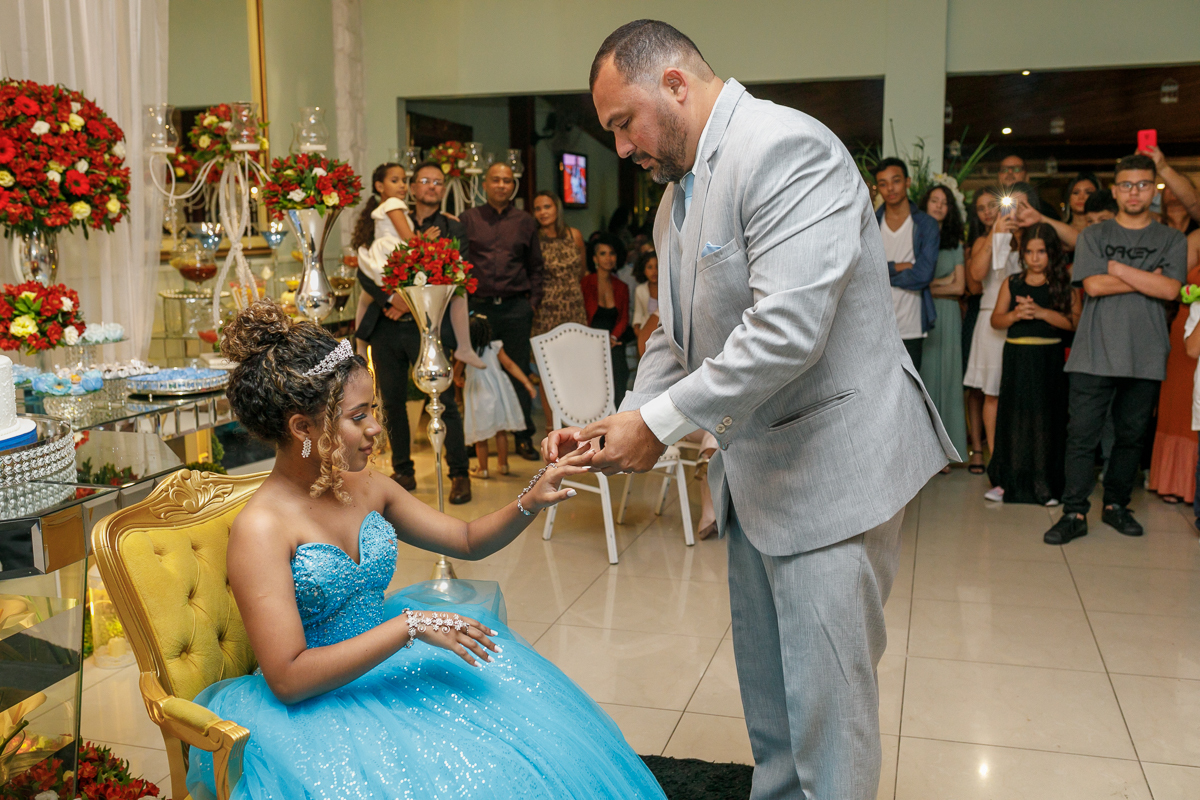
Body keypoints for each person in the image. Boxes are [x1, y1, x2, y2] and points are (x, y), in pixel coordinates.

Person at [548, 20, 956, 799]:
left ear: (674, 82)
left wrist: (661, 427)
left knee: (828, 714)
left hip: (832, 471)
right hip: (755, 478)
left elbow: (787, 332)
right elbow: (679, 337)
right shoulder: (675, 203)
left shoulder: (785, 149)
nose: (622, 149)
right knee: (772, 710)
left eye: (621, 123)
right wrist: (623, 416)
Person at [185, 301, 667, 799]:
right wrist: (409, 626)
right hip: (317, 705)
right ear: (302, 428)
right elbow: (287, 677)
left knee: (518, 747)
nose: (376, 426)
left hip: (389, 665)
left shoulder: (368, 486)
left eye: (371, 409)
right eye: (357, 416)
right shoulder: (261, 528)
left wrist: (532, 497)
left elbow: (467, 540)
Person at [1044, 154, 1189, 545]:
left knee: (1130, 437)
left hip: (1146, 354)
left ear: (1153, 188)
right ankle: (1074, 511)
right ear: (1115, 189)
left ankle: (1116, 506)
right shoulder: (1094, 235)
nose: (1134, 191)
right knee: (1081, 438)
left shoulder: (1171, 239)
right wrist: (1147, 278)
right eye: (1126, 185)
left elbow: (1172, 289)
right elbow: (1091, 287)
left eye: (1143, 184)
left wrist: (1115, 269)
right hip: (1093, 352)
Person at [353, 163, 474, 503]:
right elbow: (364, 267)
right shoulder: (388, 217)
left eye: (438, 182)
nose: (430, 187)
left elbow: (455, 272)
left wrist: (407, 302)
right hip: (386, 325)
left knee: (444, 400)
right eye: (423, 180)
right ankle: (403, 470)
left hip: (429, 324)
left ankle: (459, 474)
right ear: (413, 185)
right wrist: (390, 298)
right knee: (390, 400)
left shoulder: (451, 226)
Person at [985, 223, 1081, 505]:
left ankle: (1044, 482)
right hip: (1016, 357)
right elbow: (995, 320)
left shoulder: (1063, 284)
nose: (1035, 257)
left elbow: (1074, 323)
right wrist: (1015, 315)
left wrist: (1042, 313)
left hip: (1048, 360)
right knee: (1013, 416)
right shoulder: (1012, 283)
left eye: (1041, 251)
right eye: (1029, 251)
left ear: (1052, 253)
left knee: (1045, 418)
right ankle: (1007, 481)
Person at [461, 162, 545, 461]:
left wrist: (530, 305)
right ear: (485, 184)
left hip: (514, 309)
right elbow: (457, 264)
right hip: (478, 310)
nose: (501, 185)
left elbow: (536, 266)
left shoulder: (525, 221)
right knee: (476, 375)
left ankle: (523, 437)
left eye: (507, 181)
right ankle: (476, 439)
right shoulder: (468, 219)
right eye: (495, 180)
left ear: (514, 186)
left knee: (517, 370)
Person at [964, 185, 1040, 465]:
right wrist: (996, 232)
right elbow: (976, 274)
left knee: (1023, 393)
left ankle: (1025, 455)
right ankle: (996, 459)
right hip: (991, 319)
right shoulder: (986, 239)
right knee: (992, 392)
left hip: (1029, 314)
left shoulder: (1033, 240)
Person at [1146, 213, 1200, 504]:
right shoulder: (1195, 238)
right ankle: (1175, 481)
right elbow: (1172, 282)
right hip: (1189, 324)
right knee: (1180, 402)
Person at [529, 190, 588, 434]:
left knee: (574, 370)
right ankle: (551, 428)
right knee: (547, 373)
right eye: (538, 208)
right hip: (546, 312)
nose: (543, 212)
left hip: (574, 309)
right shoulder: (534, 239)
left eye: (547, 206)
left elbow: (583, 270)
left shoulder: (574, 235)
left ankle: (576, 427)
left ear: (557, 208)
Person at [919, 184, 969, 465]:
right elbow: (910, 281)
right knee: (923, 378)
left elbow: (960, 287)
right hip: (920, 314)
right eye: (934, 200)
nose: (939, 206)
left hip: (949, 316)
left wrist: (927, 285)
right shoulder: (917, 237)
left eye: (944, 202)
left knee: (949, 380)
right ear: (925, 204)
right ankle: (926, 456)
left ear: (950, 209)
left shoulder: (955, 243)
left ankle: (948, 454)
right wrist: (942, 283)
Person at [873, 158, 938, 370]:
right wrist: (898, 266)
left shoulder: (926, 224)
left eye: (896, 180)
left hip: (911, 323)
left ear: (907, 182)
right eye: (883, 183)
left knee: (910, 393)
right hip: (876, 323)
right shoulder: (870, 223)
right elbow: (864, 271)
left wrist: (882, 272)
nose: (890, 188)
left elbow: (923, 274)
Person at [458, 315, 537, 479]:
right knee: (500, 432)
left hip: (478, 394)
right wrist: (527, 383)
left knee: (481, 436)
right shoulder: (495, 346)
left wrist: (459, 381)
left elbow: (456, 373)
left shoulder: (466, 352)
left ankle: (483, 469)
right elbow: (510, 365)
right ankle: (503, 465)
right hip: (498, 393)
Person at [963, 187, 1001, 473]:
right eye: (981, 208)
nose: (987, 212)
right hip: (984, 313)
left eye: (992, 205)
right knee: (981, 388)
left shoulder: (1021, 236)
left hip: (1012, 313)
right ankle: (982, 450)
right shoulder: (978, 241)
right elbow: (974, 282)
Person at [582, 233, 631, 408]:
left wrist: (613, 338)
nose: (608, 258)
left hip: (613, 341)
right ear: (594, 258)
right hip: (588, 340)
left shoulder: (622, 287)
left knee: (619, 368)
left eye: (612, 253)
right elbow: (581, 316)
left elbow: (624, 318)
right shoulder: (585, 283)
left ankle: (617, 417)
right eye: (602, 253)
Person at [997, 154, 1060, 220]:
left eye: (1016, 169)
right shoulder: (990, 206)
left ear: (1027, 177)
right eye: (1004, 170)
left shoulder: (1043, 208)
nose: (1010, 172)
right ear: (998, 177)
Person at [632, 249, 660, 356]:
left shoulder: (666, 287)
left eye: (657, 266)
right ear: (643, 270)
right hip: (645, 330)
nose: (654, 271)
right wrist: (638, 330)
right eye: (649, 267)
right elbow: (638, 313)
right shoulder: (640, 289)